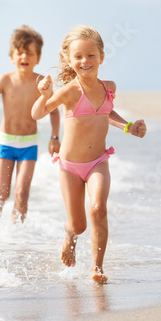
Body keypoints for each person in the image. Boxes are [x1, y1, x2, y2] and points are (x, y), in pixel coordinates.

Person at [30, 25, 146, 283]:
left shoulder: (109, 87)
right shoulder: (70, 90)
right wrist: (44, 94)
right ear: (69, 61)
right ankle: (69, 235)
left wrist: (128, 126)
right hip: (70, 167)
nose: (85, 61)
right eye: (79, 56)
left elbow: (106, 112)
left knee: (98, 210)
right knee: (79, 225)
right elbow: (38, 114)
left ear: (101, 57)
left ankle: (97, 267)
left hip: (97, 163)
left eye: (91, 55)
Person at [0, 25, 60, 221]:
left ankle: (17, 239)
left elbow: (54, 111)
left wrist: (54, 137)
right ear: (12, 56)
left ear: (38, 58)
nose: (24, 57)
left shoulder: (41, 82)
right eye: (20, 53)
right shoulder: (4, 80)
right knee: (1, 195)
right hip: (5, 143)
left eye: (29, 53)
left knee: (21, 193)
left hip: (29, 144)